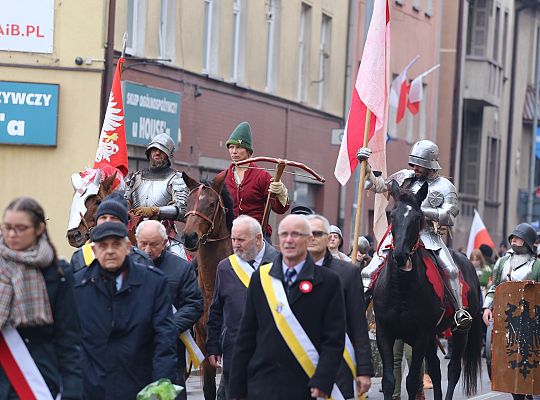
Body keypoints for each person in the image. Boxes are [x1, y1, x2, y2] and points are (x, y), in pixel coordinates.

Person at [228, 214, 345, 399]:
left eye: (296, 235)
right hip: (262, 384)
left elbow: (334, 338)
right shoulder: (261, 278)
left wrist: (323, 379)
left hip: (305, 384)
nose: (289, 240)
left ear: (309, 240)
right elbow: (246, 335)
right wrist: (236, 388)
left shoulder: (329, 282)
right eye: (284, 234)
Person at [357, 140, 471, 330]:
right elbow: (377, 185)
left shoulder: (445, 186)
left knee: (451, 270)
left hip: (427, 234)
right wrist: (367, 166)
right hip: (399, 233)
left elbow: (450, 215)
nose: (415, 168)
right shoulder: (404, 177)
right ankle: (359, 310)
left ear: (430, 164)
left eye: (420, 164)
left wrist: (420, 212)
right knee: (368, 271)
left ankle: (460, 312)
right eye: (414, 164)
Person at [74, 222, 177, 400]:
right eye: (103, 246)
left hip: (139, 387)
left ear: (128, 247)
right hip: (91, 389)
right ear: (94, 250)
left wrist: (160, 387)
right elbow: (69, 342)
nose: (110, 251)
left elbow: (165, 340)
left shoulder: (153, 283)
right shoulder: (76, 286)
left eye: (116, 244)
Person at [0, 197, 82, 399]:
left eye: (21, 228)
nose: (12, 234)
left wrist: (72, 391)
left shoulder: (59, 273)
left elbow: (68, 338)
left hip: (38, 379)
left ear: (38, 229)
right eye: (7, 227)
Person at [206, 215, 279, 399]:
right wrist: (213, 346)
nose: (236, 244)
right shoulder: (225, 267)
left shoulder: (280, 265)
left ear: (258, 239)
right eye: (233, 239)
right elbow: (216, 310)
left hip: (269, 352)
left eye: (241, 240)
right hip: (234, 349)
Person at [306, 214, 373, 398]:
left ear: (328, 238)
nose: (312, 237)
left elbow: (358, 323)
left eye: (318, 233)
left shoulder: (348, 272)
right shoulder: (289, 270)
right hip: (300, 357)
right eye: (308, 233)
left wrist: (364, 368)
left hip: (338, 361)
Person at [135, 220, 203, 398]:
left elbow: (194, 304)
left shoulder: (182, 268)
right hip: (134, 351)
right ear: (135, 240)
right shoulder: (126, 267)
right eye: (143, 244)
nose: (147, 250)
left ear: (165, 243)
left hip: (170, 351)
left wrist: (166, 327)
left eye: (154, 244)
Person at [482, 223, 540, 400]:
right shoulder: (502, 262)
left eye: (518, 236)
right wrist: (487, 308)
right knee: (510, 364)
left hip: (532, 321)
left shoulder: (537, 265)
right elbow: (494, 287)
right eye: (512, 236)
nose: (513, 238)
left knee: (531, 366)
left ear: (528, 241)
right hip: (508, 320)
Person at [125, 133, 188, 258]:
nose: (157, 153)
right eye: (154, 149)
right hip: (135, 232)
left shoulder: (177, 178)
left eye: (162, 150)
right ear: (149, 153)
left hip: (164, 233)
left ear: (168, 155)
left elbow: (182, 210)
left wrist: (156, 210)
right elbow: (125, 202)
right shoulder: (135, 177)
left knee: (181, 262)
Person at [224, 121, 289, 238]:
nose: (234, 151)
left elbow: (280, 209)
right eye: (231, 147)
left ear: (248, 151)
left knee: (270, 256)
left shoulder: (262, 176)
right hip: (229, 236)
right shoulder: (223, 177)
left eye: (238, 147)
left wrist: (281, 193)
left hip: (257, 235)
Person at [70, 192, 152, 271]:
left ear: (124, 223)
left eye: (114, 218)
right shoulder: (80, 257)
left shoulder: (140, 259)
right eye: (103, 217)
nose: (107, 222)